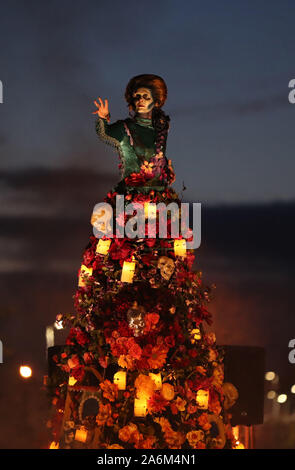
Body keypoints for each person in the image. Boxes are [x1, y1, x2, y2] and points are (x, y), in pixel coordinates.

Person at [92, 74, 175, 195]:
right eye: (137, 96)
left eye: (146, 97)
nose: (140, 100)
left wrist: (167, 168)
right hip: (131, 195)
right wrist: (103, 117)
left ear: (156, 102)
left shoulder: (162, 127)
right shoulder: (124, 128)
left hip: (158, 195)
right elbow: (104, 133)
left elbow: (158, 154)